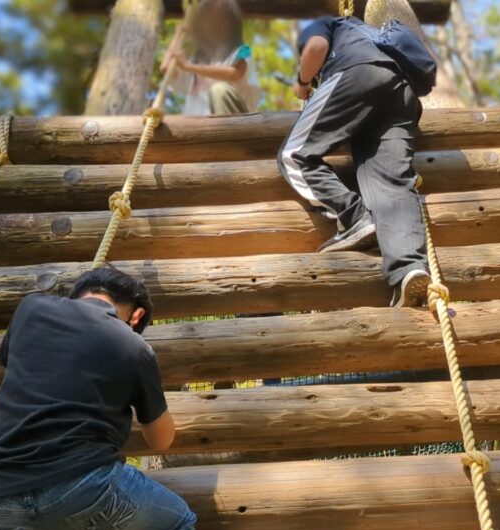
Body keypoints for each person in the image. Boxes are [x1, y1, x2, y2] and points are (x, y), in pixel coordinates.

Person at [0, 268, 196, 530]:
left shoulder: (31, 309)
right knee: (178, 525)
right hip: (79, 486)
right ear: (136, 315)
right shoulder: (133, 346)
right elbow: (160, 440)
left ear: (80, 292)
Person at [277, 15, 431, 307]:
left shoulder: (328, 23)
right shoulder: (374, 34)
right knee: (392, 182)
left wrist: (302, 83)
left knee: (293, 154)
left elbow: (316, 48)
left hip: (358, 73)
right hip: (403, 93)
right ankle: (409, 271)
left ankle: (354, 217)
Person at [163, 0, 261, 116]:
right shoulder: (196, 59)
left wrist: (188, 67)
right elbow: (166, 68)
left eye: (222, 17)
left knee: (219, 90)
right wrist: (178, 35)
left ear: (232, 23)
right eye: (208, 17)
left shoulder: (244, 50)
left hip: (236, 124)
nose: (214, 22)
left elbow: (234, 73)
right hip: (199, 128)